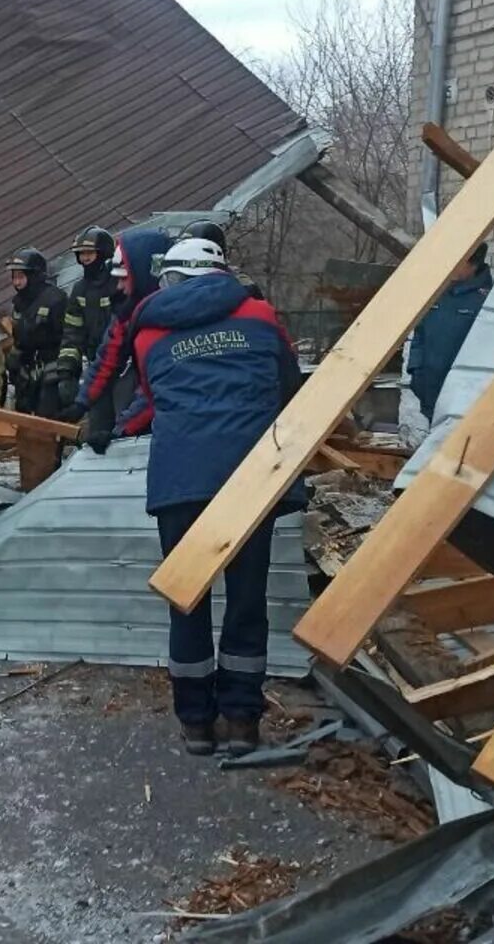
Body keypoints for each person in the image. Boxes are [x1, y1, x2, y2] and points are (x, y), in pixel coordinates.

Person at [109, 236, 302, 756]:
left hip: (181, 479)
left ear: (170, 278)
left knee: (186, 599)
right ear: (220, 273)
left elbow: (154, 397)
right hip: (249, 479)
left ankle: (196, 723)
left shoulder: (147, 334)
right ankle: (240, 721)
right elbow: (290, 388)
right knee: (246, 599)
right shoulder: (261, 318)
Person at [70, 227, 170, 445]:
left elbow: (157, 392)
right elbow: (108, 355)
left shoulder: (169, 323)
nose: (120, 286)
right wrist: (82, 401)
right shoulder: (129, 311)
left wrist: (121, 430)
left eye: (125, 278)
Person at [408, 243, 493, 422]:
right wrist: (416, 373)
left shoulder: (488, 300)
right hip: (430, 391)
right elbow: (419, 335)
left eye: (459, 262)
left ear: (474, 265)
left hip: (465, 400)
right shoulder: (437, 293)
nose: (451, 266)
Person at [53, 226, 120, 417]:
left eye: (89, 253)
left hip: (124, 368)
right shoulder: (79, 290)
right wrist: (66, 373)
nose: (85, 259)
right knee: (98, 423)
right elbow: (72, 334)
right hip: (96, 368)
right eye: (81, 254)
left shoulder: (118, 284)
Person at [3, 248, 66, 416]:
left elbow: (67, 338)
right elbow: (20, 338)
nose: (16, 283)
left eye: (20, 277)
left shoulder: (56, 300)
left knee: (47, 423)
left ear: (34, 276)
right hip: (26, 375)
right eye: (14, 277)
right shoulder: (18, 303)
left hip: (52, 375)